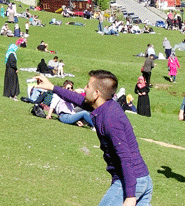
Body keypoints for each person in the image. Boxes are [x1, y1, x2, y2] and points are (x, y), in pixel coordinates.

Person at [32, 71, 153, 206]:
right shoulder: (105, 106)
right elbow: (77, 99)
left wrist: (130, 196)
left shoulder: (110, 119)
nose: (85, 88)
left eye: (88, 86)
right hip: (142, 178)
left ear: (96, 93)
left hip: (131, 181)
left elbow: (125, 157)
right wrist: (51, 87)